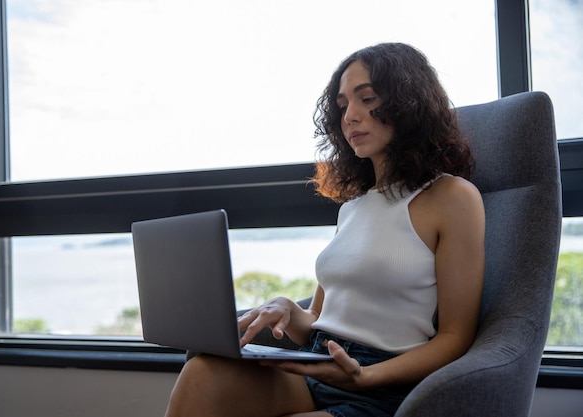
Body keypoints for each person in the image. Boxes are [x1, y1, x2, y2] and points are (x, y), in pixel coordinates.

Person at [164, 42, 485, 417]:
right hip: (318, 364)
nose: (351, 115)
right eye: (344, 104)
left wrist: (366, 376)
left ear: (409, 103)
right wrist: (286, 307)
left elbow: (455, 338)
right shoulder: (353, 207)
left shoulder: (452, 197)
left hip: (383, 383)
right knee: (201, 373)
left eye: (367, 99)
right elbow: (319, 318)